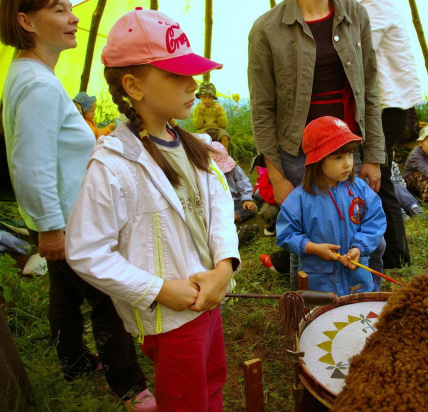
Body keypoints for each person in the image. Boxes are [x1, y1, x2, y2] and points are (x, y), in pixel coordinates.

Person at [64, 8, 240, 410]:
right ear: (133, 86)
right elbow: (87, 251)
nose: (192, 84)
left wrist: (224, 267)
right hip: (172, 317)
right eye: (177, 75)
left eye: (191, 73)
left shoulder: (195, 148)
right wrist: (159, 289)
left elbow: (219, 209)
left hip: (209, 298)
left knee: (212, 383)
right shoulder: (112, 165)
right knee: (185, 399)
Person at [0, 1, 153, 409]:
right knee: (108, 296)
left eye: (71, 8)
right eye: (59, 9)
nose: (74, 18)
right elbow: (30, 161)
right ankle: (131, 387)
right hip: (68, 218)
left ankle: (74, 362)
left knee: (64, 293)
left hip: (60, 216)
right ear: (26, 21)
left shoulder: (29, 73)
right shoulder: (37, 84)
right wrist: (52, 226)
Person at [248, 0, 386, 289]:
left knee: (367, 234)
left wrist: (372, 155)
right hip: (299, 154)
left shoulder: (354, 14)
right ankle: (310, 311)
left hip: (349, 146)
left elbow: (369, 87)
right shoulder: (266, 28)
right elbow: (262, 108)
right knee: (306, 240)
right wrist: (276, 175)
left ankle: (369, 307)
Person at [276, 116, 386, 296]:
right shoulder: (300, 198)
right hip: (320, 285)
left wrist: (359, 247)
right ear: (317, 160)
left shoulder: (360, 189)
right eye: (338, 157)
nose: (348, 163)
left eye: (350, 154)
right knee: (323, 320)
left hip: (357, 280)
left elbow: (375, 221)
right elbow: (286, 234)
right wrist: (312, 248)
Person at [359, 0, 424, 269]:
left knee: (378, 178)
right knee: (380, 178)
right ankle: (395, 252)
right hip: (389, 105)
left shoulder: (376, 6)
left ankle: (394, 253)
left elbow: (359, 49)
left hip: (387, 107)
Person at [210, 141, 257, 223]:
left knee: (252, 208)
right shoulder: (207, 174)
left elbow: (243, 182)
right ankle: (223, 218)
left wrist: (246, 199)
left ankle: (233, 217)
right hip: (218, 204)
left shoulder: (234, 169)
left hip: (235, 200)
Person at [192, 82, 232, 150]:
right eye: (204, 96)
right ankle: (204, 157)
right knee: (202, 139)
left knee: (224, 136)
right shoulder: (197, 108)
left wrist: (218, 112)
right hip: (203, 130)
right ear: (200, 97)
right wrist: (201, 112)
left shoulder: (219, 107)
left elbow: (223, 125)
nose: (207, 99)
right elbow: (197, 125)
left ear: (213, 97)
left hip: (218, 130)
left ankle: (224, 156)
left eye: (210, 97)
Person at [390, 150, 423, 218]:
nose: (390, 153)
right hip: (386, 195)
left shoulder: (393, 165)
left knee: (398, 187)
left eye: (392, 150)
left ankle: (413, 207)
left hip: (398, 193)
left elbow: (400, 181)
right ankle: (401, 213)